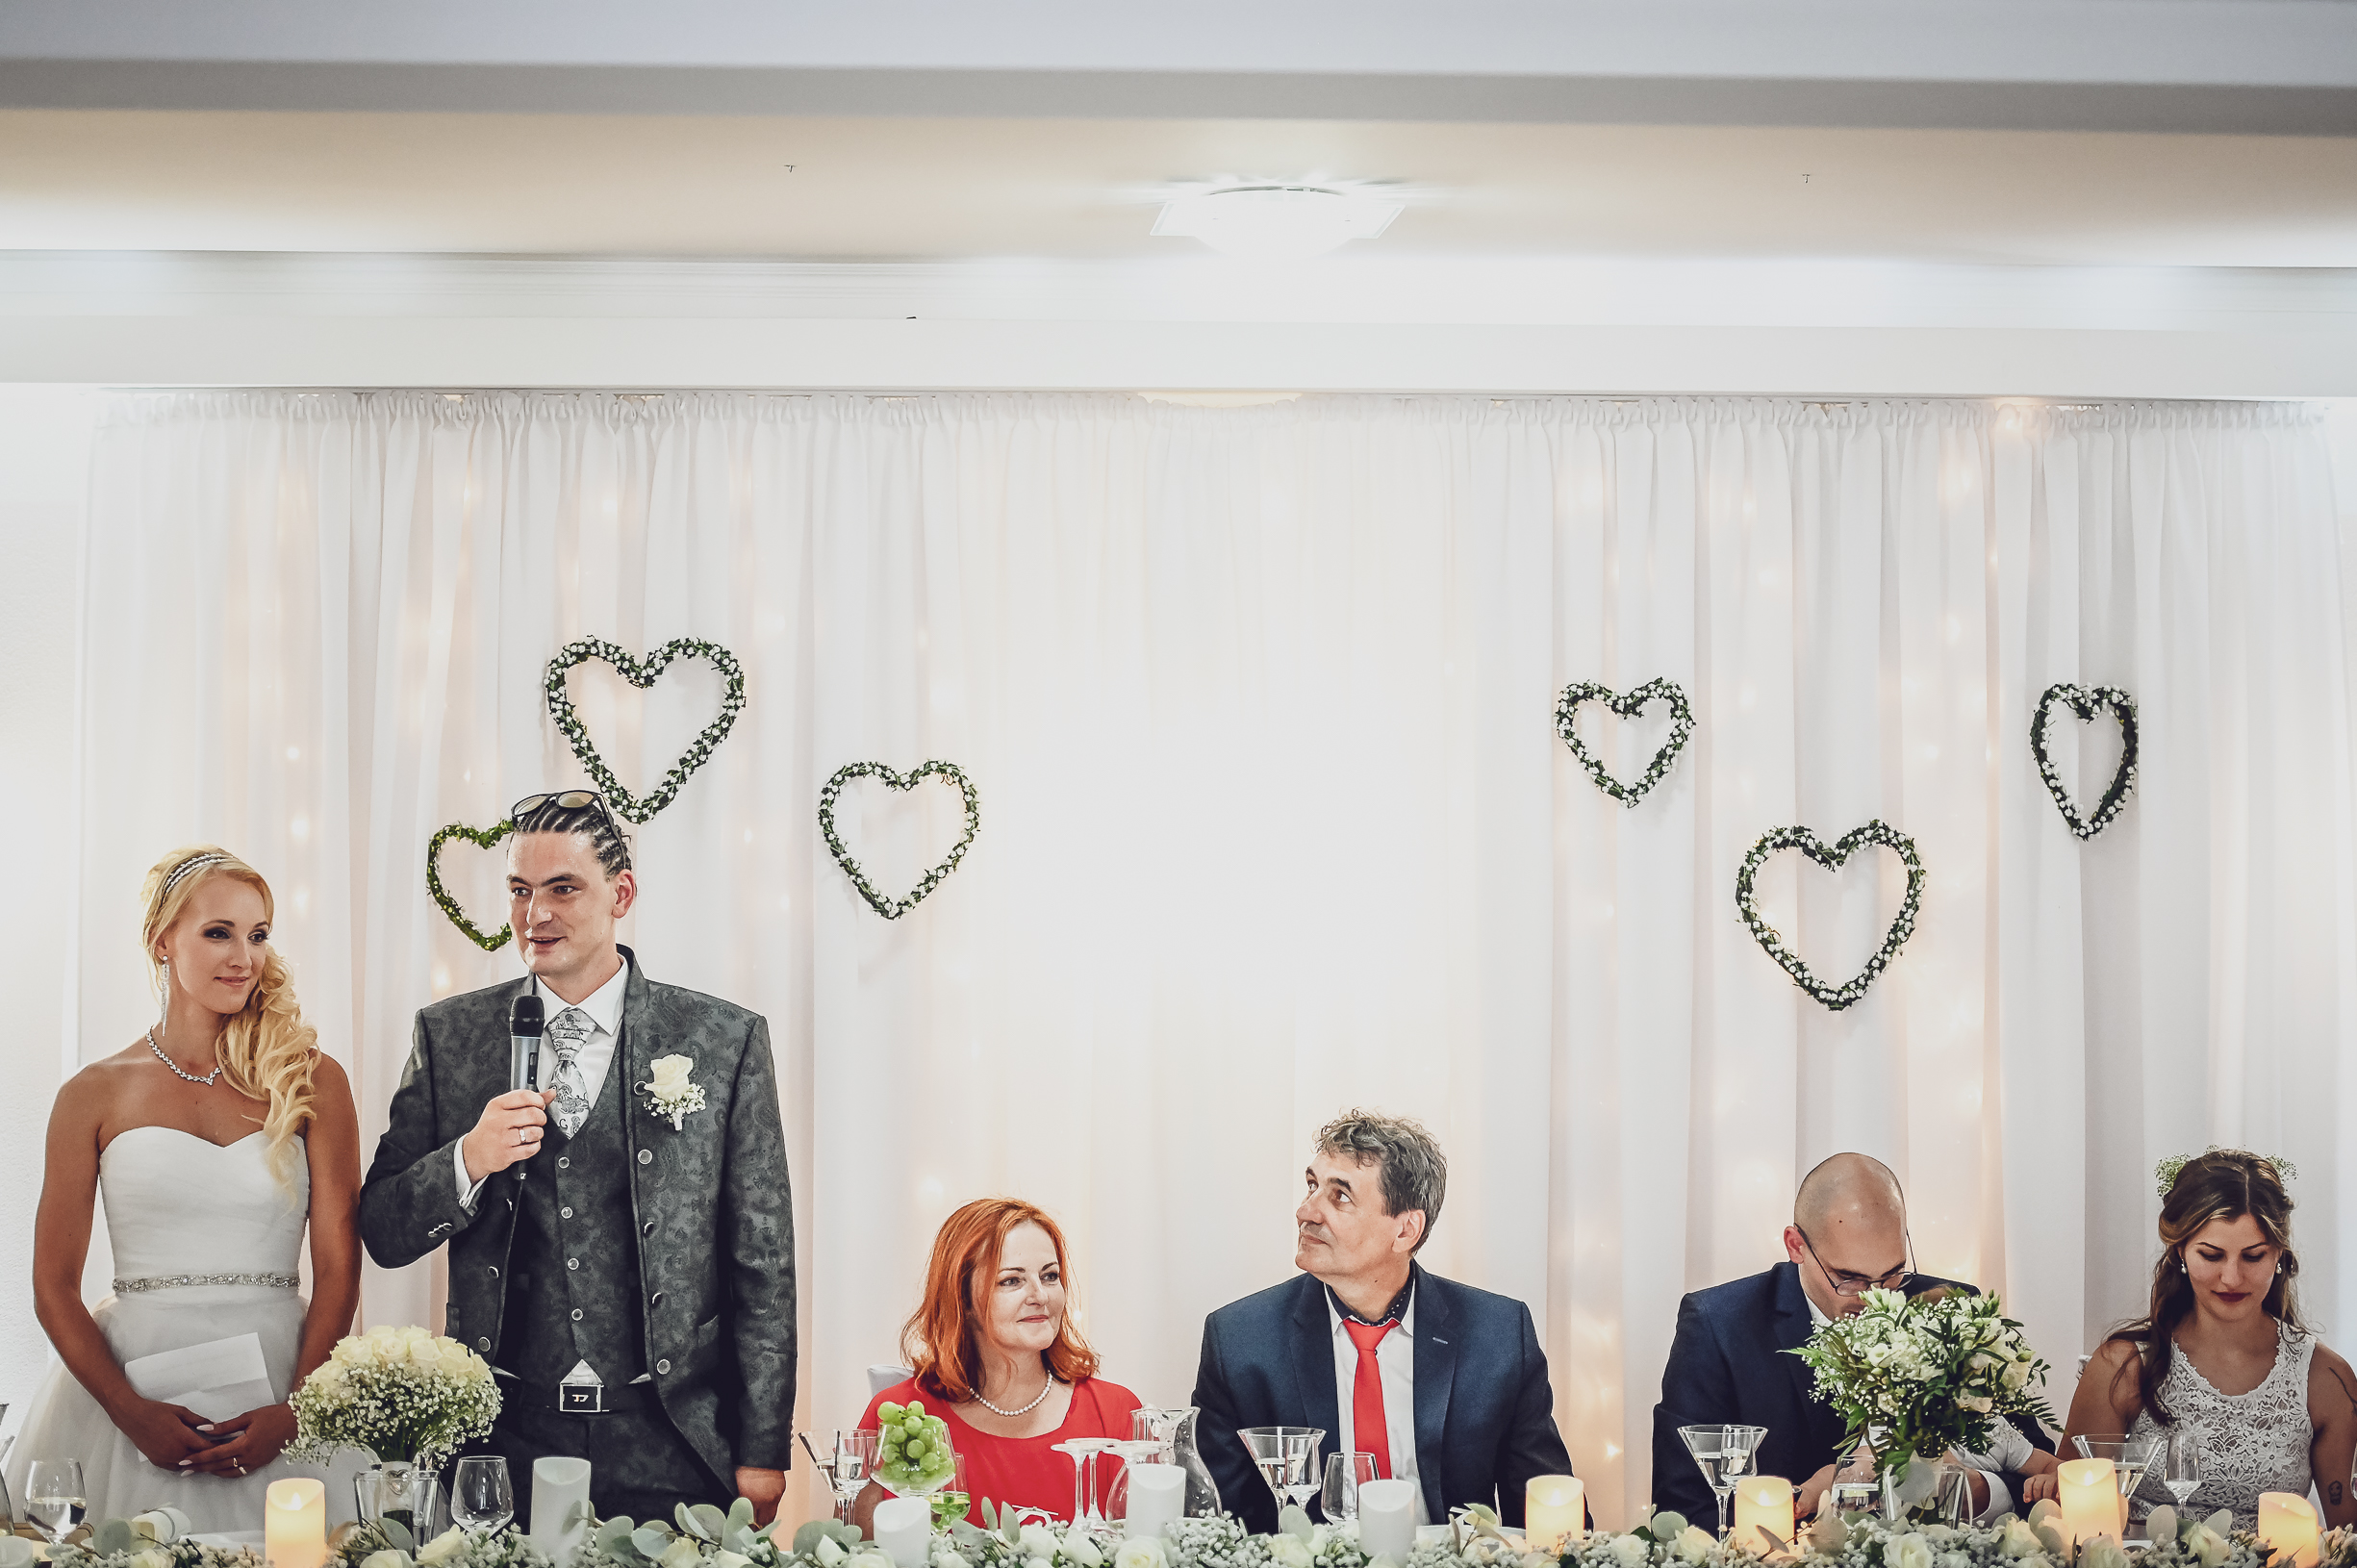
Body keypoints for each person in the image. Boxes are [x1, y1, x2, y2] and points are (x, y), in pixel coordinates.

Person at [359, 792, 797, 1527]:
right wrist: (468, 1159)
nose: (535, 914)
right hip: (500, 1444)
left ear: (621, 894)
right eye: (520, 890)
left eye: (563, 888)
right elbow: (381, 1229)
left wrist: (763, 1447)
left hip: (672, 1441)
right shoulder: (451, 1036)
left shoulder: (722, 1040)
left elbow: (762, 1261)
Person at [9, 847, 362, 1530]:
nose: (244, 958)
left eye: (258, 934)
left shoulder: (312, 1079)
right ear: (161, 940)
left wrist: (298, 1410)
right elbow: (52, 1286)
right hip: (132, 1382)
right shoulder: (91, 1094)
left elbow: (340, 1266)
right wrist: (130, 1412)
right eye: (219, 933)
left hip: (283, 1376)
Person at [1192, 1110, 1575, 1534]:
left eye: (1340, 1196)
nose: (1305, 1211)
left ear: (1406, 1230)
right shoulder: (1240, 1341)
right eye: (1312, 1186)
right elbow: (1216, 1528)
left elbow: (1549, 1513)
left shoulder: (1499, 1335)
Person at [1651, 1153, 2054, 1526]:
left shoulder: (1952, 1308)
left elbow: (2040, 1476)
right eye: (1850, 1279)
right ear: (1796, 1246)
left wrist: (1977, 1492)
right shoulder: (1718, 1325)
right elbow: (1683, 1509)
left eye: (1892, 1274)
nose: (1877, 1299)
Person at [2048, 1150, 2356, 1530]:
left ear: (2278, 1253)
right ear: (2180, 1250)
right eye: (2211, 1255)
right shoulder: (2122, 1366)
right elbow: (2064, 1516)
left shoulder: (2326, 1378)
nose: (2232, 1278)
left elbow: (2347, 1537)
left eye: (2253, 1257)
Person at [852, 1199, 1141, 1529]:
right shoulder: (899, 1413)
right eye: (1011, 1281)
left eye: (1050, 1276)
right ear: (961, 1298)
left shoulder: (1115, 1412)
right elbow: (857, 1549)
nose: (1041, 1296)